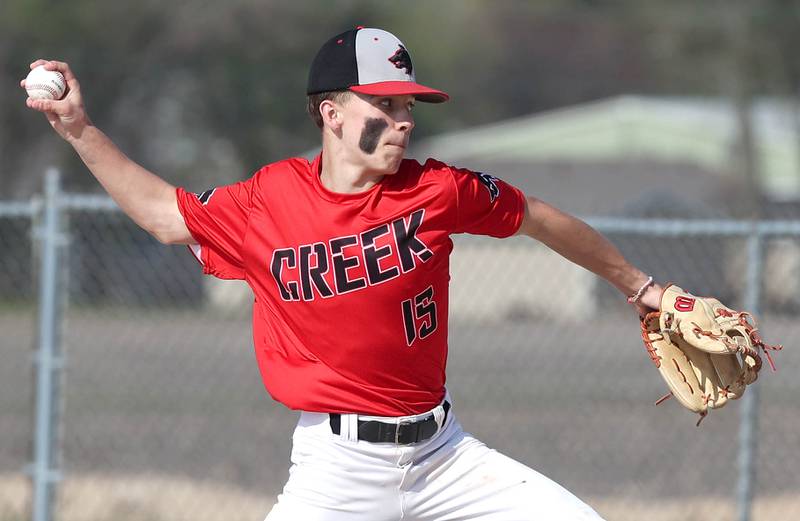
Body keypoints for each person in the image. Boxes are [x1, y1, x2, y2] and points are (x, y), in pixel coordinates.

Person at [24, 26, 662, 521]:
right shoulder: (270, 200)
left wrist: (639, 286)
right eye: (384, 105)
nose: (404, 119)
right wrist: (78, 129)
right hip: (337, 470)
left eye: (409, 104)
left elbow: (536, 217)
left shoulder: (437, 191)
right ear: (332, 114)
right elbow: (166, 215)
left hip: (445, 457)